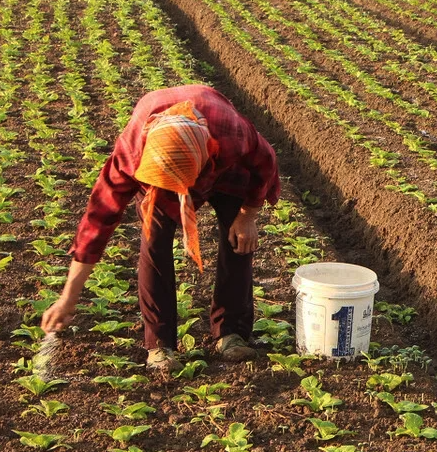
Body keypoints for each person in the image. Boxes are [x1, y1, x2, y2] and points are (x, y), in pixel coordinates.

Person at [41, 85, 281, 372]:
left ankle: (231, 332)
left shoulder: (232, 135)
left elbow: (266, 163)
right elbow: (98, 221)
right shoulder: (132, 156)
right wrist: (68, 298)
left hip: (225, 170)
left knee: (239, 238)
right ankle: (160, 344)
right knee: (154, 241)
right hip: (159, 171)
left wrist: (248, 215)